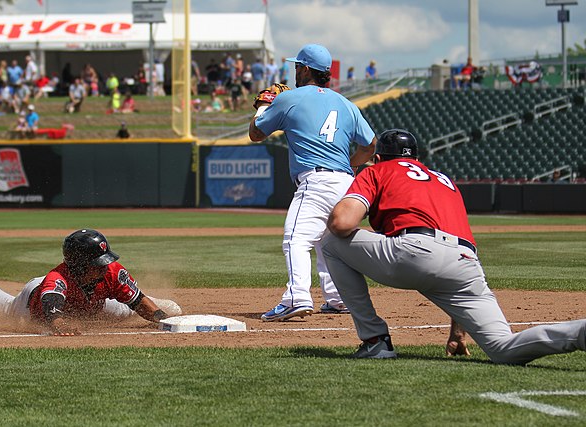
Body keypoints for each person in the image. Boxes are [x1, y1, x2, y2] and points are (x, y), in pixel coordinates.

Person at [321, 129, 586, 363]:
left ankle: (375, 341)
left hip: (415, 252)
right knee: (503, 348)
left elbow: (342, 223)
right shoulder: (442, 179)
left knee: (331, 241)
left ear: (378, 158)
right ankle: (579, 333)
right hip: (465, 262)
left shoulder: (378, 170)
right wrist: (458, 332)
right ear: (417, 159)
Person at [249, 43, 377, 322]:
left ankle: (296, 297)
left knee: (296, 239)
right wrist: (348, 165)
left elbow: (256, 134)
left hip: (315, 179)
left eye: (297, 66)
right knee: (328, 244)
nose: (295, 71)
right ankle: (337, 299)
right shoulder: (347, 104)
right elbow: (370, 146)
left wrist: (263, 105)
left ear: (306, 69)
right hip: (346, 183)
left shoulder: (290, 98)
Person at [0, 229, 181, 335]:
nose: (105, 266)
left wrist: (160, 318)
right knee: (4, 306)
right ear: (79, 265)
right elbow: (52, 311)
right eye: (97, 263)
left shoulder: (111, 271)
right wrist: (61, 324)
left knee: (126, 310)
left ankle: (156, 305)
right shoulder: (56, 279)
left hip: (91, 304)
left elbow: (137, 303)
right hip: (32, 302)